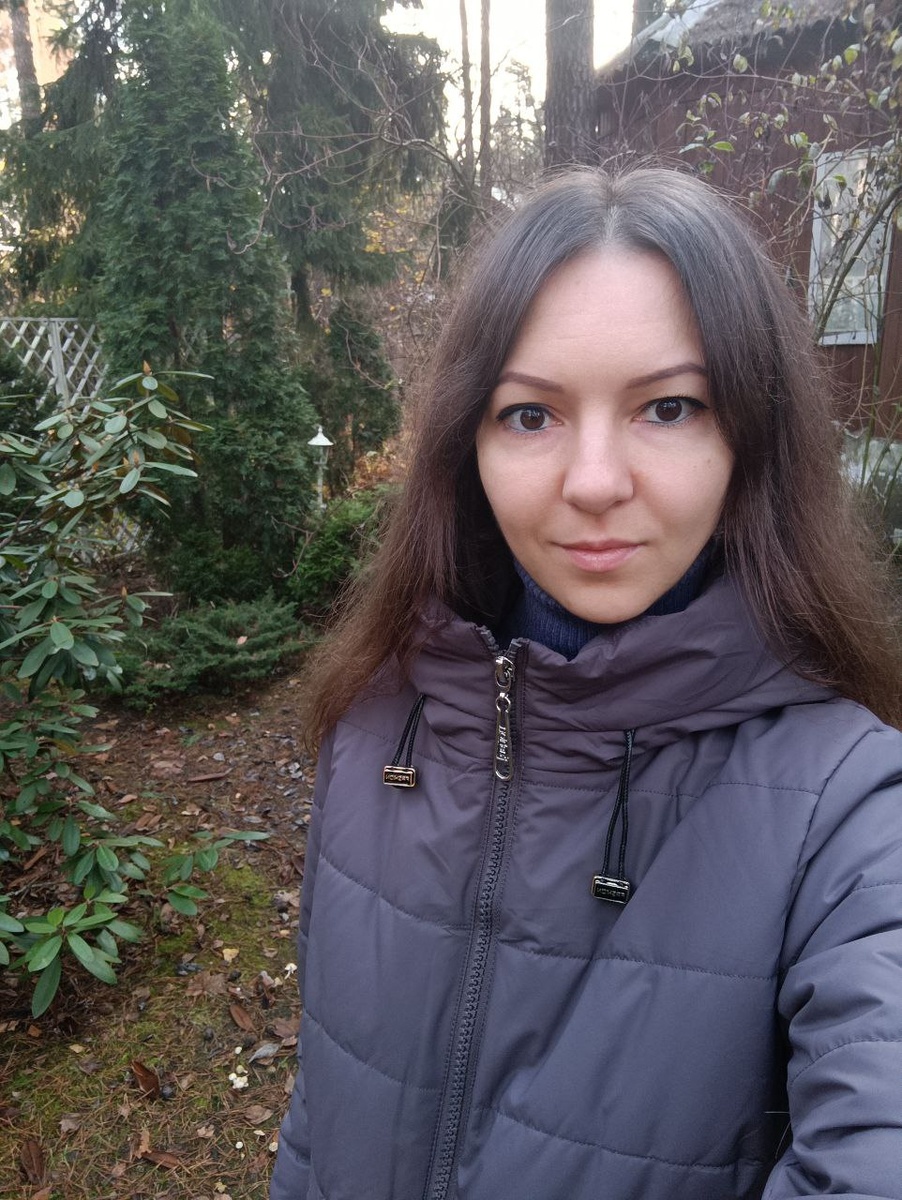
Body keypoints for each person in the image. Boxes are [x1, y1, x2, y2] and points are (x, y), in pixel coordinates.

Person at [269, 168, 902, 1200]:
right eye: (530, 415)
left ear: (752, 436)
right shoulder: (377, 719)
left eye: (668, 407)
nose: (596, 481)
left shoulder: (848, 809)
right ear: (465, 442)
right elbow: (323, 1105)